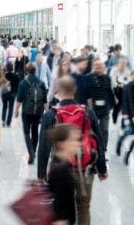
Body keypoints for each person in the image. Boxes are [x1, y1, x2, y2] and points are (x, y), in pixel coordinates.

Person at [37, 75, 108, 225]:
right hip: (86, 167)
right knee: (84, 207)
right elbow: (98, 141)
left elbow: (43, 146)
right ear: (75, 90)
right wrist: (102, 168)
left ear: (58, 91)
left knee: (62, 208)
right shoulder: (88, 112)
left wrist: (41, 173)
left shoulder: (51, 115)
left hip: (62, 168)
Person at [48, 124, 82, 225]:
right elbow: (59, 202)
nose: (78, 143)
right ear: (61, 144)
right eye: (73, 140)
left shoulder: (62, 162)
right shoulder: (61, 170)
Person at [14, 63, 47, 164]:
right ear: (35, 71)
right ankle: (34, 150)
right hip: (38, 111)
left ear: (26, 71)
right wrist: (47, 111)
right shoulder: (41, 83)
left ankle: (31, 152)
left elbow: (19, 99)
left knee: (26, 132)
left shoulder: (23, 83)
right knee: (35, 131)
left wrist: (15, 111)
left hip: (26, 112)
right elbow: (45, 100)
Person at [86, 59, 115, 152]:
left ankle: (103, 149)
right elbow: (87, 94)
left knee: (104, 130)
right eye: (96, 66)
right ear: (93, 67)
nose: (98, 68)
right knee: (92, 129)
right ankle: (93, 148)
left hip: (105, 109)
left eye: (100, 66)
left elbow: (110, 92)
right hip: (92, 109)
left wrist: (110, 106)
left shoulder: (107, 78)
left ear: (103, 68)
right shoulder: (88, 77)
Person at [109, 57, 131, 124]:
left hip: (125, 90)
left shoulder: (127, 71)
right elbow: (112, 82)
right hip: (116, 91)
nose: (122, 65)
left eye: (124, 64)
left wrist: (124, 83)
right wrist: (119, 85)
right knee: (116, 107)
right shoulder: (114, 70)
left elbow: (129, 80)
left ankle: (123, 123)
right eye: (121, 63)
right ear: (118, 64)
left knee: (125, 107)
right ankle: (114, 121)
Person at [2, 62, 19, 127]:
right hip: (12, 94)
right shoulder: (15, 76)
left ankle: (3, 120)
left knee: (4, 107)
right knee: (11, 108)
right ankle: (8, 123)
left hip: (5, 93)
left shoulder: (4, 75)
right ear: (12, 67)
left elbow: (1, 85)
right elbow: (17, 86)